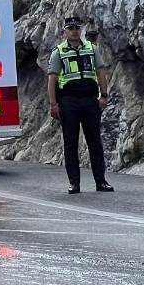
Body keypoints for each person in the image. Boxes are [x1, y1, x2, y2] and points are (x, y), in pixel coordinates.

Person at [47, 14, 113, 194]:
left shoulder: (92, 49)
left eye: (77, 28)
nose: (75, 32)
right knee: (70, 143)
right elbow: (52, 79)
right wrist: (53, 105)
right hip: (69, 101)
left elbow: (101, 72)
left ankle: (101, 181)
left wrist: (104, 96)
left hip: (90, 100)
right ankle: (74, 183)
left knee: (95, 142)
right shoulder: (59, 52)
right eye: (71, 29)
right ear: (65, 32)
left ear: (81, 30)